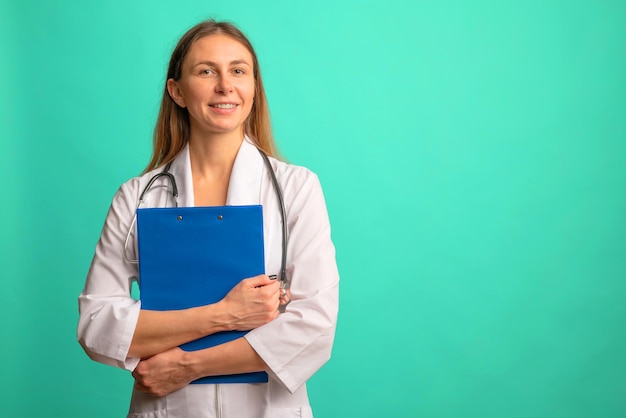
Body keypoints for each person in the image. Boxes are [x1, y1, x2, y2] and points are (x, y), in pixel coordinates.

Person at [77, 19, 339, 418]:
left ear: (253, 87)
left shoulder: (296, 188)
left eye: (238, 70)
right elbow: (96, 325)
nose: (224, 85)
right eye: (206, 71)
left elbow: (314, 326)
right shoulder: (137, 197)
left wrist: (186, 366)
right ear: (176, 91)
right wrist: (226, 314)